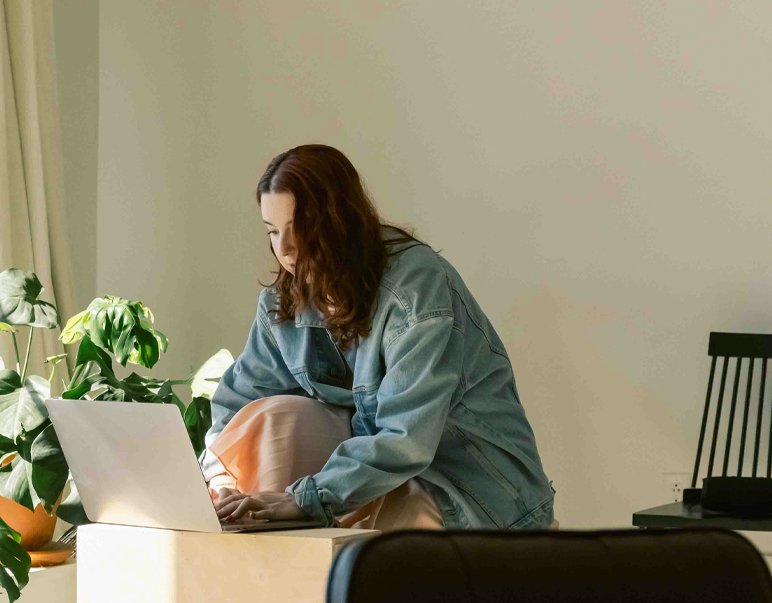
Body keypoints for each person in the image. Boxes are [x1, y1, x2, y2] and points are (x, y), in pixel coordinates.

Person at [204, 144, 554, 531]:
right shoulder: (282, 302)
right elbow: (237, 407)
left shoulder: (415, 288)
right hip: (372, 477)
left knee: (367, 540)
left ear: (340, 221)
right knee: (271, 418)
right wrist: (219, 486)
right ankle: (262, 554)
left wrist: (306, 499)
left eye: (298, 229)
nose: (284, 250)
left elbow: (407, 438)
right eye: (273, 232)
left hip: (464, 485)